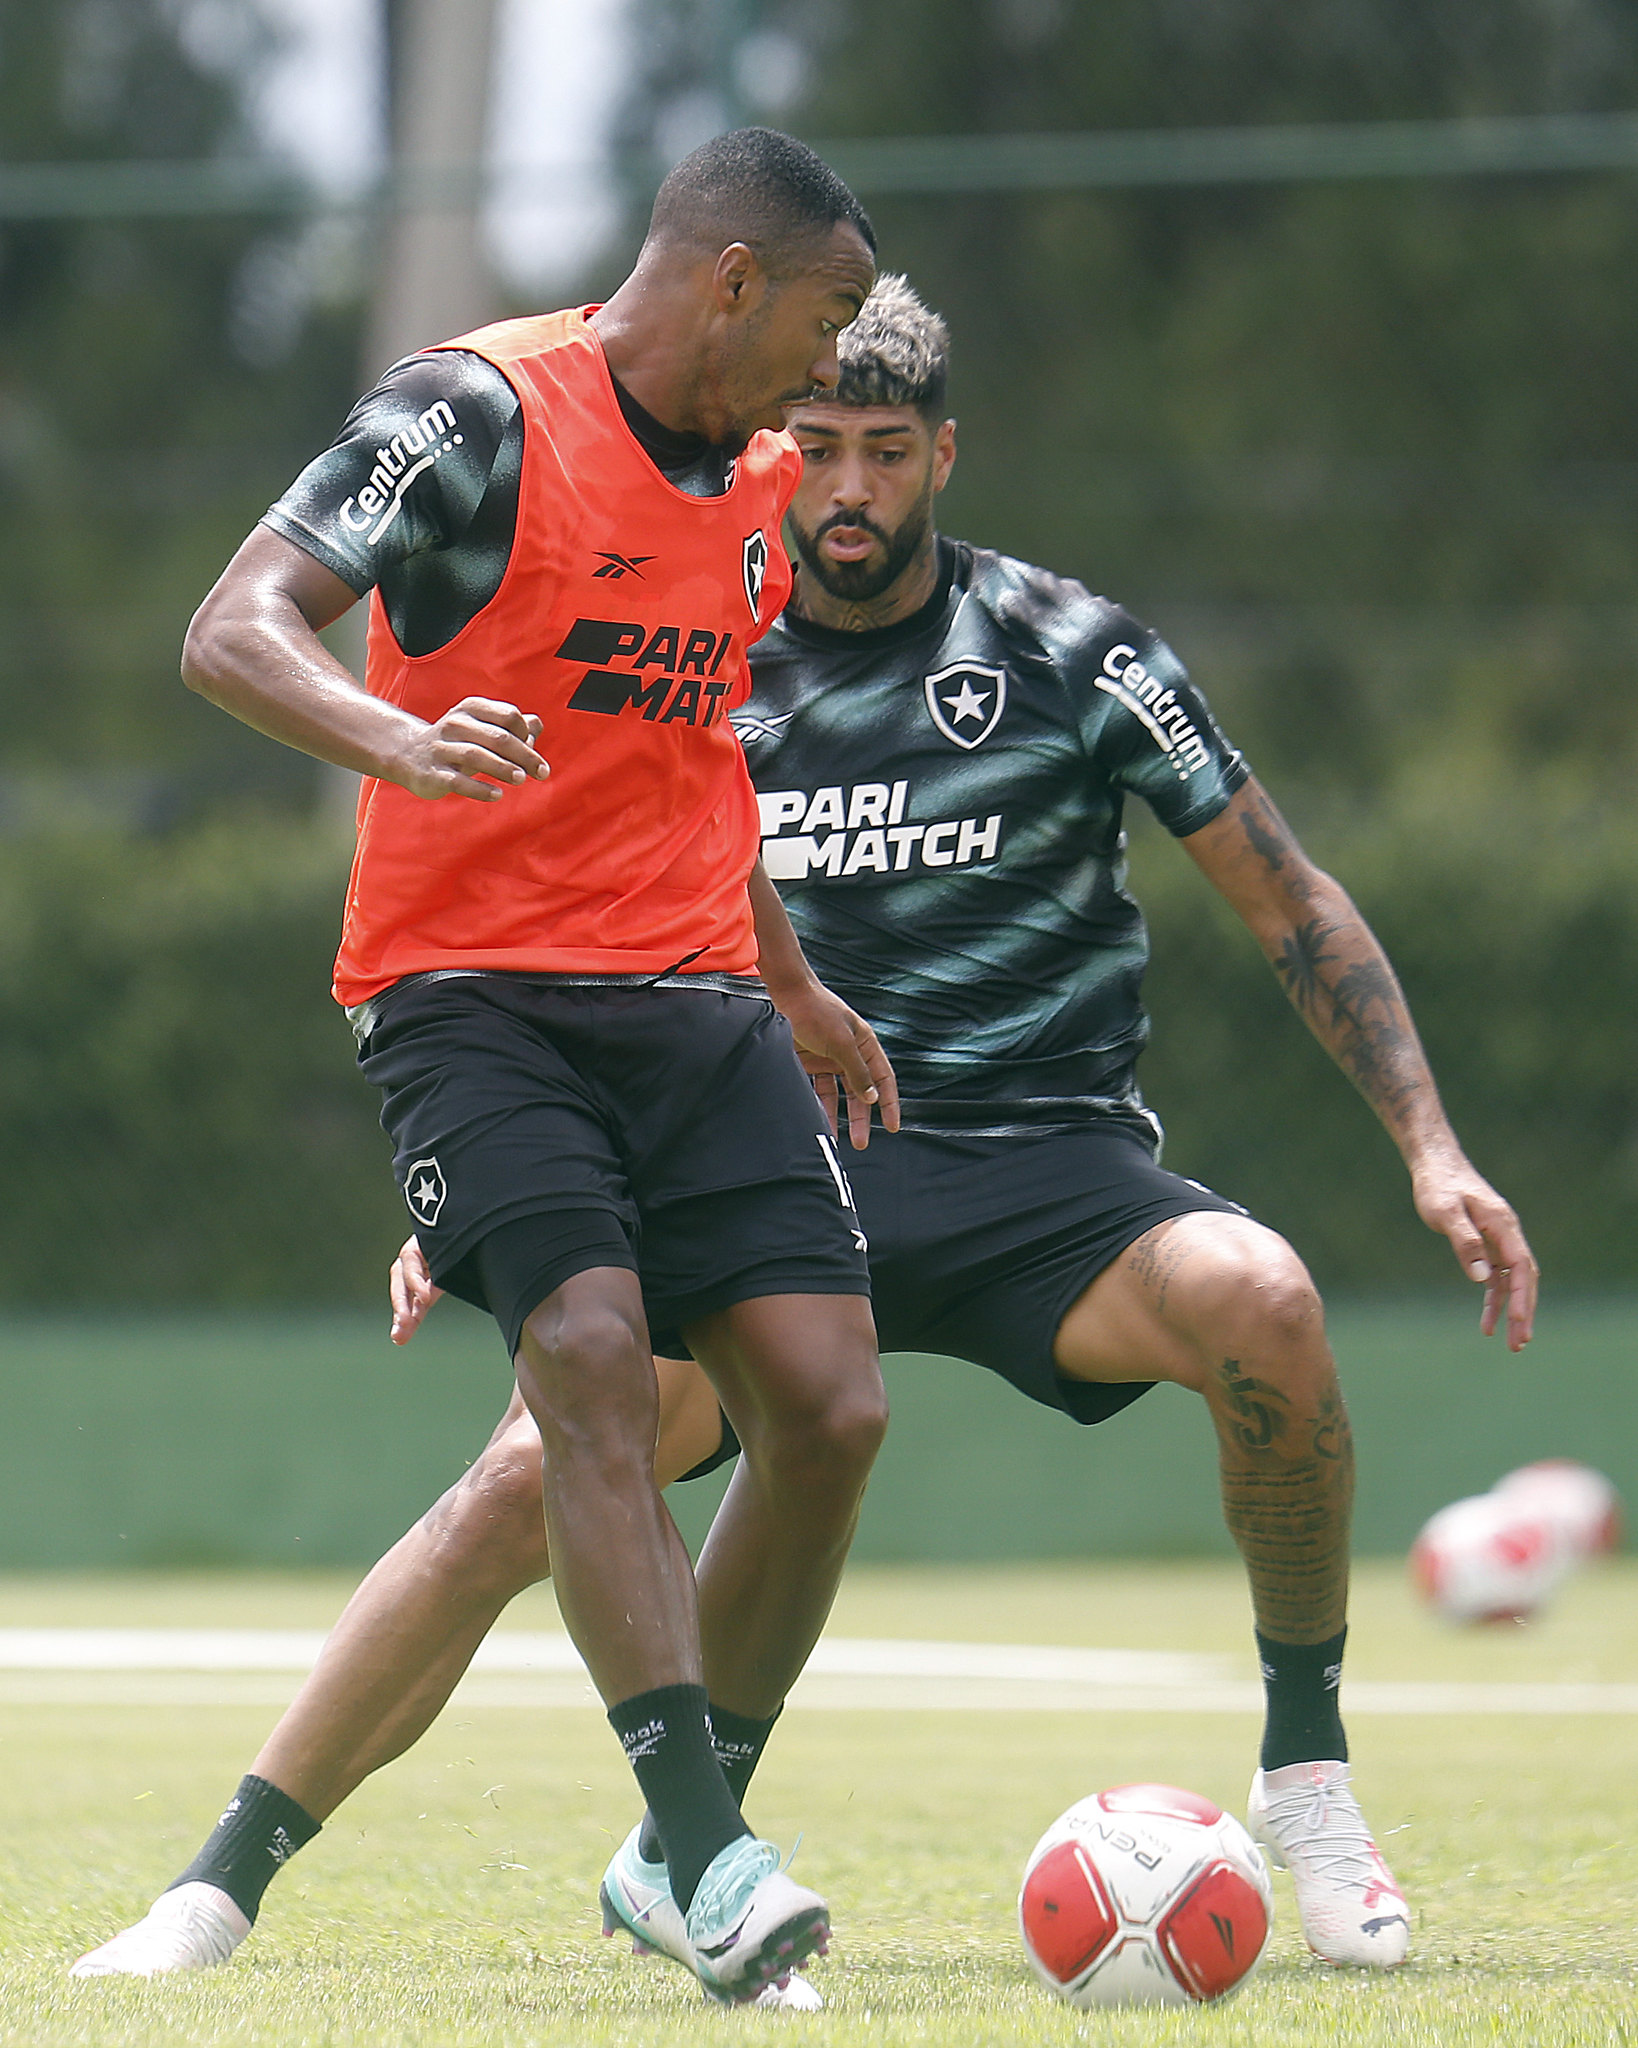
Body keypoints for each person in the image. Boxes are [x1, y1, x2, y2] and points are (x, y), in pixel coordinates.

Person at [75, 274, 1536, 1996]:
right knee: (528, 1475)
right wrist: (484, 1193)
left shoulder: (1080, 652)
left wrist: (1430, 1147)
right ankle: (230, 1876)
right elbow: (538, 921)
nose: (848, 487)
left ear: (942, 455)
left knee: (1265, 1301)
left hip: (1043, 1176)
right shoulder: (691, 625)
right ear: (780, 445)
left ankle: (1304, 1781)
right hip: (768, 1145)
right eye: (819, 446)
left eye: (886, 452)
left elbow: (1291, 902)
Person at [72, 130, 906, 2008]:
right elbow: (231, 628)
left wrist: (787, 983)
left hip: (693, 1007)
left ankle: (660, 1843)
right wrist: (395, 734)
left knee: (832, 1412)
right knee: (590, 1377)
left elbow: (693, 764)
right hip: (472, 999)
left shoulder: (758, 492)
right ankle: (703, 1856)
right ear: (729, 280)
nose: (832, 365)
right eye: (827, 316)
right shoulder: (472, 415)